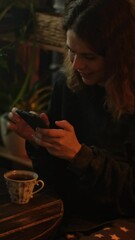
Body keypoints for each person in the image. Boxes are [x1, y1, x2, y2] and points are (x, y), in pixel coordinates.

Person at [8, 0, 135, 239]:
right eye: (71, 51)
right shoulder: (68, 87)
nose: (76, 65)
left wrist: (80, 156)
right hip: (71, 215)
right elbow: (56, 181)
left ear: (120, 55)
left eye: (88, 56)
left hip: (122, 220)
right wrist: (40, 142)